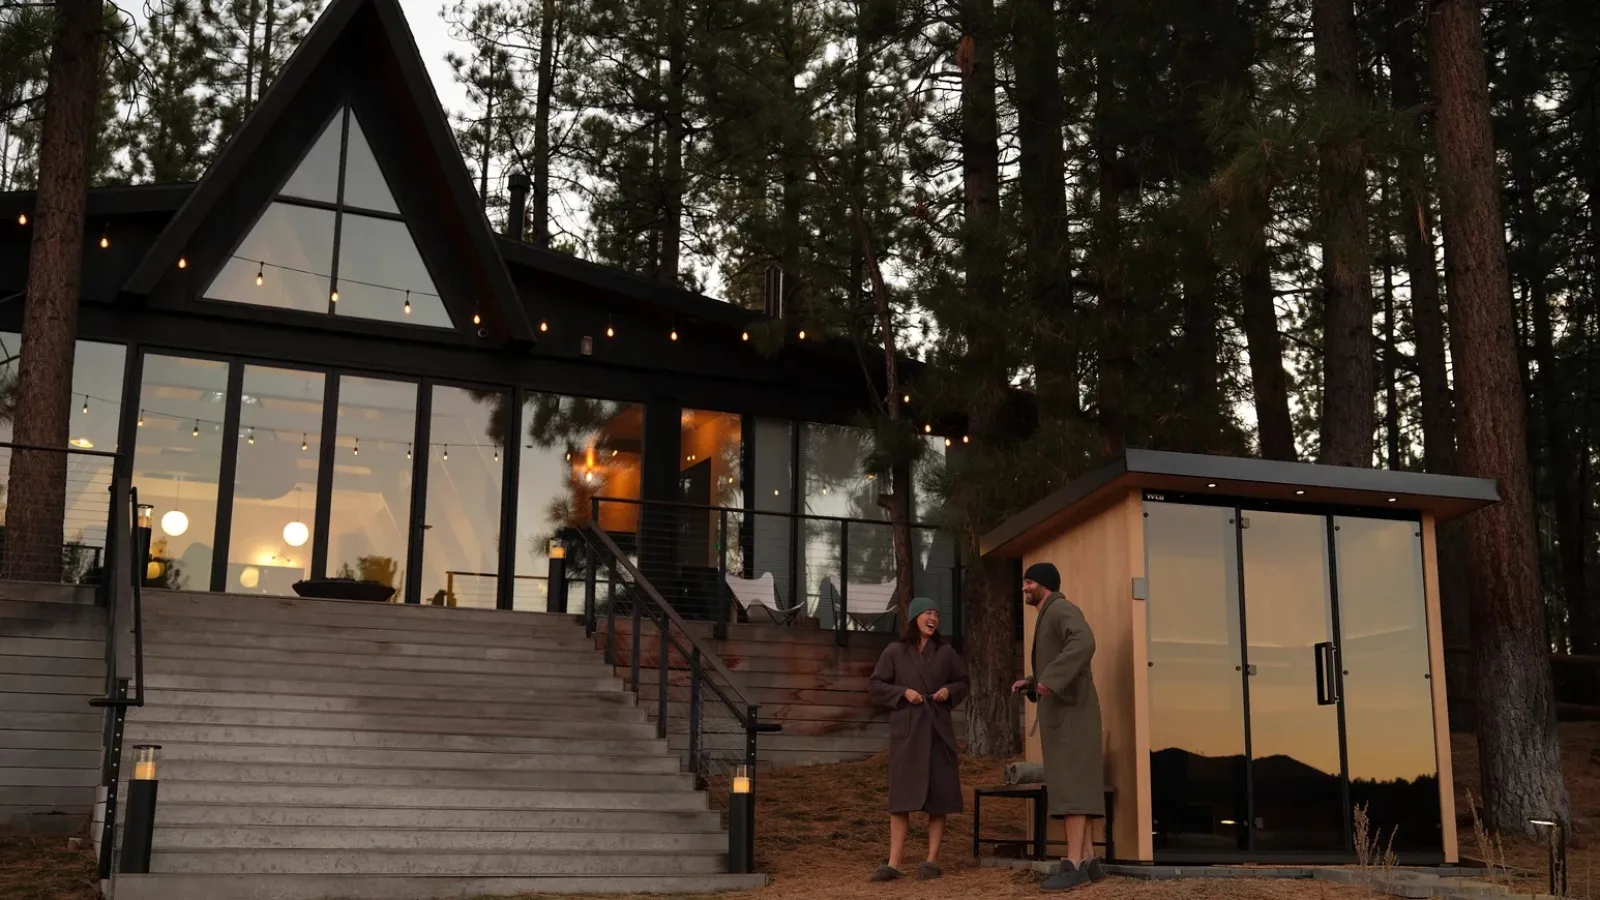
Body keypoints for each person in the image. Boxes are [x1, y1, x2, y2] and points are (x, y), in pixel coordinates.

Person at [1011, 562, 1106, 891]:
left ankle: (1074, 864)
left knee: (1071, 785)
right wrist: (1033, 682)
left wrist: (1050, 679)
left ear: (1044, 585)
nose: (1024, 588)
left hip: (1071, 715)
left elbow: (1084, 642)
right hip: (1069, 714)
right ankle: (1091, 861)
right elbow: (1061, 661)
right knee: (1076, 782)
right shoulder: (1049, 613)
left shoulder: (1061, 608)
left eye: (1029, 582)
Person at [867, 596, 969, 882]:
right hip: (908, 732)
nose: (933, 617)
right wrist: (902, 693)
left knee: (939, 796)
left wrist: (949, 691)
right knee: (901, 798)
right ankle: (893, 862)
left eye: (936, 612)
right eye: (927, 612)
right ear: (914, 618)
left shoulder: (946, 652)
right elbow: (875, 684)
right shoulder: (895, 651)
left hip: (938, 730)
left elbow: (962, 682)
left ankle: (931, 860)